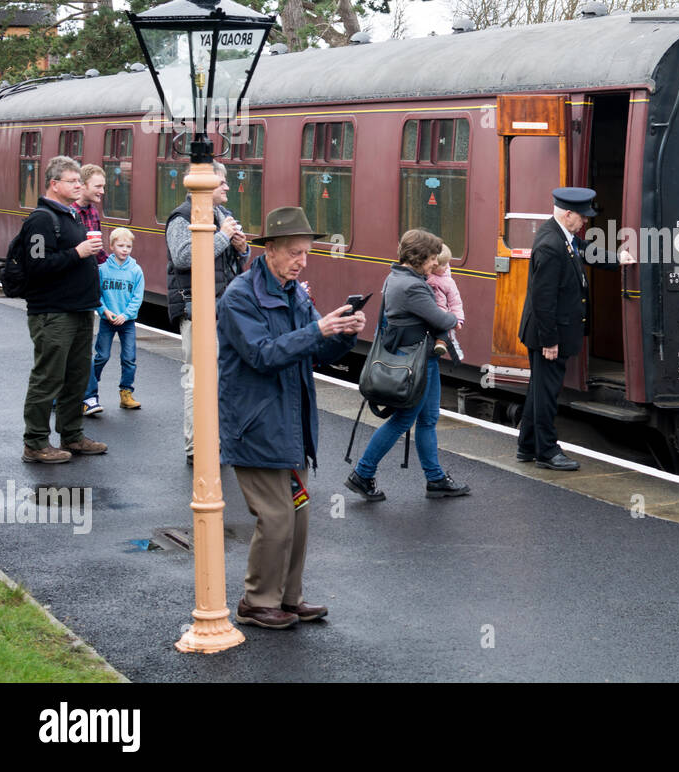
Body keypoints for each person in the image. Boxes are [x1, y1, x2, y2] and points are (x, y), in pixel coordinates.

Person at [217, 206, 365, 630]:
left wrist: (343, 333)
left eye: (307, 253)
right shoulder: (241, 296)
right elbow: (263, 355)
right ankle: (255, 601)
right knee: (277, 517)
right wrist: (319, 331)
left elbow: (315, 352)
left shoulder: (294, 293)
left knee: (298, 515)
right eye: (296, 253)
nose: (303, 261)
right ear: (272, 251)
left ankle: (288, 597)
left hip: (291, 424)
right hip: (256, 423)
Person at [345, 229, 469, 502]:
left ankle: (435, 478)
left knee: (428, 419)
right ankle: (362, 473)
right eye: (432, 259)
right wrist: (454, 317)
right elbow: (440, 319)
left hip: (423, 360)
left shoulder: (397, 276)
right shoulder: (412, 286)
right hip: (415, 363)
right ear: (419, 257)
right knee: (403, 420)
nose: (435, 265)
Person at [19, 156, 107, 464]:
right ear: (54, 184)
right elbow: (37, 265)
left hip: (80, 309)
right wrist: (77, 252)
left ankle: (72, 435)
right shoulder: (41, 220)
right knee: (48, 377)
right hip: (53, 313)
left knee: (76, 377)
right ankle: (35, 442)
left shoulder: (70, 216)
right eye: (73, 181)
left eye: (80, 182)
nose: (79, 186)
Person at [166, 160, 249, 465]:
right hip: (197, 309)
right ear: (206, 185)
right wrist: (224, 237)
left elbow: (233, 259)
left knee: (224, 378)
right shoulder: (181, 217)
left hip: (224, 308)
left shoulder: (223, 215)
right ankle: (196, 445)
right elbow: (183, 257)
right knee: (197, 378)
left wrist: (241, 248)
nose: (228, 187)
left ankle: (219, 438)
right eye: (223, 182)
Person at [515, 187, 597, 471]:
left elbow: (582, 250)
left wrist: (616, 259)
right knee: (547, 394)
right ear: (568, 213)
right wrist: (550, 340)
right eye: (582, 217)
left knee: (539, 390)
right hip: (548, 335)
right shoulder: (551, 244)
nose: (585, 221)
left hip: (548, 332)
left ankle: (527, 446)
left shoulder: (562, 236)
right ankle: (547, 452)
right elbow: (543, 299)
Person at [84, 227, 144, 415]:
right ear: (111, 246)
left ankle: (126, 393)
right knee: (102, 356)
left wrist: (125, 315)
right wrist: (104, 311)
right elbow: (96, 294)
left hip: (127, 322)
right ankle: (89, 392)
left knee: (129, 358)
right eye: (120, 246)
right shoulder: (102, 270)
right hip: (107, 320)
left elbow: (137, 296)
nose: (125, 250)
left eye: (128, 246)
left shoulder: (136, 270)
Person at [425, 242, 465, 361]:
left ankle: (443, 344)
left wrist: (458, 319)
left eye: (448, 263)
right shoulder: (425, 276)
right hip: (429, 314)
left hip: (442, 313)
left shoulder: (448, 282)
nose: (447, 266)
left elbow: (455, 302)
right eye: (443, 264)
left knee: (445, 331)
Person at [75, 164, 107, 266]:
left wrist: (116, 264)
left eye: (103, 187)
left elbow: (97, 249)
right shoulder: (67, 212)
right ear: (82, 186)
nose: (102, 191)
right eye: (98, 187)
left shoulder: (93, 211)